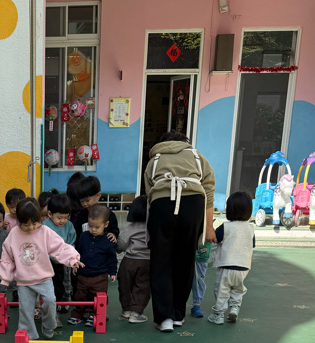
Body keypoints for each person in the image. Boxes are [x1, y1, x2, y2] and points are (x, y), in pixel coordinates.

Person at [143, 131, 216, 332]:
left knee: (161, 262)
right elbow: (208, 191)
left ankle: (164, 318)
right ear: (184, 143)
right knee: (185, 260)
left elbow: (149, 192)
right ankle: (178, 315)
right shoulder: (197, 157)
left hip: (162, 204)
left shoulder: (155, 159)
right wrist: (209, 226)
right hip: (193, 204)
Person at [0, 197, 83, 340]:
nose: (31, 227)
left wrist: (72, 259)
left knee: (50, 301)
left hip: (44, 278)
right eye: (26, 224)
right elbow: (7, 256)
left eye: (34, 223)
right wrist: (5, 278)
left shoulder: (44, 231)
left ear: (39, 219)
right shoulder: (14, 234)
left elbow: (59, 247)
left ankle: (49, 325)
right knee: (25, 309)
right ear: (19, 221)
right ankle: (28, 334)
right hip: (24, 280)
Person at [207, 191, 255, 325]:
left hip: (226, 266)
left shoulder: (226, 227)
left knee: (222, 290)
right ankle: (234, 308)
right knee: (238, 289)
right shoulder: (250, 229)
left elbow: (215, 238)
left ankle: (218, 315)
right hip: (244, 267)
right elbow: (252, 245)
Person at [69, 203, 117, 326]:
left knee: (98, 297)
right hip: (83, 274)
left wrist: (113, 272)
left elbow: (112, 258)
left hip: (100, 276)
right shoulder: (84, 236)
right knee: (80, 295)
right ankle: (78, 314)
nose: (93, 230)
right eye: (90, 226)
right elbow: (77, 252)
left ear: (106, 224)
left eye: (97, 227)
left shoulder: (108, 240)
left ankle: (94, 314)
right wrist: (74, 263)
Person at [117, 195, 150, 324]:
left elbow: (121, 244)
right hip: (147, 262)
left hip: (128, 261)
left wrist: (118, 250)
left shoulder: (130, 228)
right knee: (142, 287)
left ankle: (126, 310)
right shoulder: (153, 227)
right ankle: (136, 313)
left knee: (125, 285)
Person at [43, 192, 77, 311]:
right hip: (48, 263)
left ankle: (65, 301)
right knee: (52, 285)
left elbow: (71, 243)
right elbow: (42, 245)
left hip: (64, 262)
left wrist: (69, 257)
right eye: (59, 218)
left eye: (66, 217)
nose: (63, 220)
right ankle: (54, 306)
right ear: (49, 214)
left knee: (66, 282)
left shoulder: (69, 226)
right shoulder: (44, 227)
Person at [67, 173, 119, 243]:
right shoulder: (80, 215)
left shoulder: (107, 213)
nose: (84, 204)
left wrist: (113, 234)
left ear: (98, 195)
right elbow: (77, 233)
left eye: (87, 200)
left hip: (103, 247)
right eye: (81, 201)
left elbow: (114, 228)